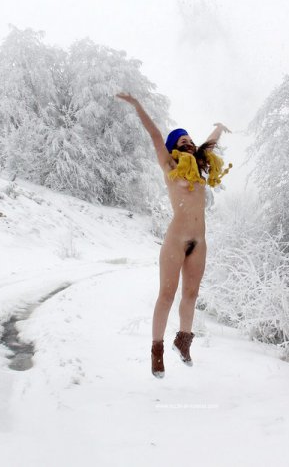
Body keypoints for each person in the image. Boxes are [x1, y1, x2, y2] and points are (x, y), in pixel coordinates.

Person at [116, 92, 231, 378]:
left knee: (191, 294)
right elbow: (155, 135)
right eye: (182, 140)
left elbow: (209, 143)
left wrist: (219, 127)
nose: (189, 143)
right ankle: (157, 351)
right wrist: (137, 105)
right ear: (173, 147)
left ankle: (183, 341)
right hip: (176, 240)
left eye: (190, 140)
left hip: (199, 242)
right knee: (167, 295)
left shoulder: (199, 169)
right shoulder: (170, 167)